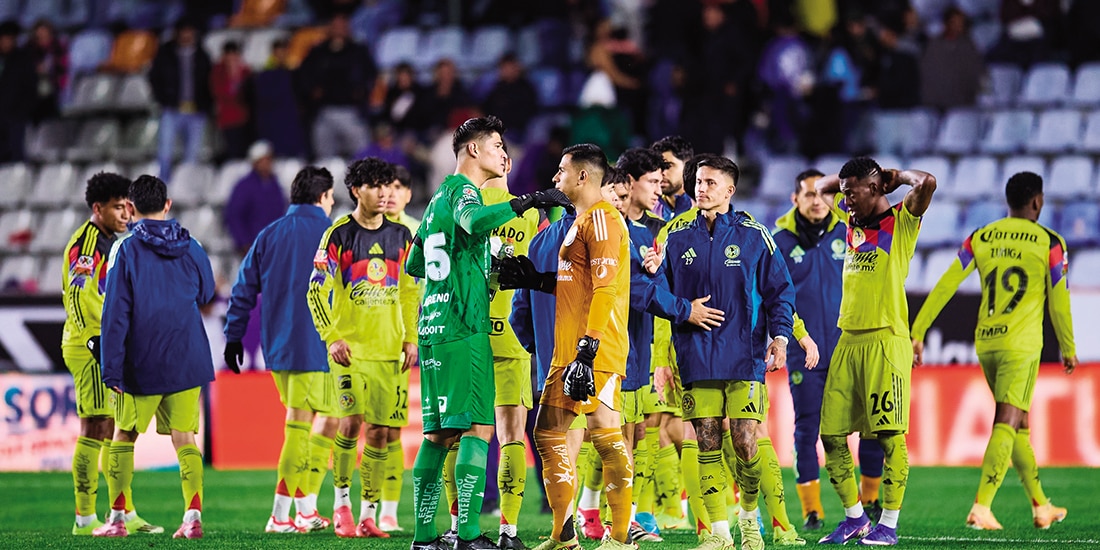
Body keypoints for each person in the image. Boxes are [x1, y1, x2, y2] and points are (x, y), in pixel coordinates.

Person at [404, 116, 573, 550]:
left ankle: (425, 536)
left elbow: (415, 265)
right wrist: (527, 202)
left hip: (433, 324)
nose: (503, 152)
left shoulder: (436, 197)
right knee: (480, 430)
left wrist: (484, 269)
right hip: (465, 325)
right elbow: (475, 222)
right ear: (474, 150)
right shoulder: (464, 191)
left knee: (439, 434)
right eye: (497, 144)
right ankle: (468, 535)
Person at [911, 171, 1075, 531]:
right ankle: (982, 507)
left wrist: (919, 330)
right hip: (1022, 345)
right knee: (1007, 421)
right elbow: (1059, 302)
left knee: (1019, 427)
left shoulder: (981, 236)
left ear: (1009, 201)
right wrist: (1068, 346)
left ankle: (1041, 506)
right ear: (1038, 202)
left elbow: (946, 283)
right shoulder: (1050, 241)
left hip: (985, 341)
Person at [498, 143, 635, 550]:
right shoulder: (578, 223)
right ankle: (564, 536)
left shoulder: (604, 221)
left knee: (606, 435)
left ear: (582, 176)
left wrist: (589, 351)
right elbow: (578, 285)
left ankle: (621, 538)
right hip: (568, 351)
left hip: (596, 351)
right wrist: (535, 280)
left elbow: (607, 291)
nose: (555, 178)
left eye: (561, 170)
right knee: (547, 434)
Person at [658, 154, 796, 550]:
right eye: (698, 182)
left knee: (744, 441)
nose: (701, 189)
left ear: (730, 190)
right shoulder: (677, 238)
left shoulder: (755, 235)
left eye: (710, 183)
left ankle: (749, 517)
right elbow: (657, 295)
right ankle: (719, 532)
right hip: (695, 354)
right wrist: (680, 306)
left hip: (745, 354)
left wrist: (781, 337)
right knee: (704, 439)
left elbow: (779, 292)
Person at [813, 157, 936, 546]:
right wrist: (851, 183)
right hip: (848, 338)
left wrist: (897, 177)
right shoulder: (852, 221)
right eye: (845, 192)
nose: (845, 199)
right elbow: (821, 187)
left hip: (887, 338)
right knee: (830, 435)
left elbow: (928, 183)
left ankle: (889, 523)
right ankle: (854, 518)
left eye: (853, 192)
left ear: (877, 187)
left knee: (888, 435)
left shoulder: (900, 222)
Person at [94, 175, 217, 539]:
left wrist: (110, 366)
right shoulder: (192, 244)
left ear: (130, 209)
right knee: (185, 438)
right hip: (186, 354)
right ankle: (192, 516)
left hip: (140, 359)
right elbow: (207, 292)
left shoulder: (125, 248)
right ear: (168, 205)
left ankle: (118, 518)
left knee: (124, 436)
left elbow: (115, 312)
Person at [224, 166, 340, 534]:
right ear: (323, 197)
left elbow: (243, 288)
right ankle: (279, 514)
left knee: (316, 422)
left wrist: (233, 337)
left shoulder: (268, 234)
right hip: (315, 345)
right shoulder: (331, 235)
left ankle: (304, 509)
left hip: (280, 348)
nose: (333, 202)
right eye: (332, 196)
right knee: (302, 427)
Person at [306, 158, 418, 538]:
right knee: (351, 423)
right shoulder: (338, 234)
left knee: (380, 432)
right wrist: (332, 336)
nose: (384, 193)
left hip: (389, 351)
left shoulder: (402, 237)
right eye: (375, 186)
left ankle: (369, 513)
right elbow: (315, 289)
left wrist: (411, 338)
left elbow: (407, 291)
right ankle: (341, 506)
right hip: (350, 350)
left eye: (388, 185)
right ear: (356, 191)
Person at [771, 169, 885, 531]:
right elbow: (776, 298)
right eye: (809, 194)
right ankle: (812, 510)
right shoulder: (780, 243)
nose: (817, 201)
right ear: (795, 200)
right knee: (808, 428)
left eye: (823, 194)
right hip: (805, 352)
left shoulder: (850, 233)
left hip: (851, 348)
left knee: (869, 425)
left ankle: (871, 501)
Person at [63, 172, 160, 536]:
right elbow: (79, 296)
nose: (125, 214)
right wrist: (94, 342)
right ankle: (85, 519)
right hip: (90, 346)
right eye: (118, 207)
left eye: (128, 207)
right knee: (97, 425)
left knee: (116, 428)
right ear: (97, 208)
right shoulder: (87, 245)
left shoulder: (113, 242)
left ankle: (123, 512)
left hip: (109, 346)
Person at [376, 163, 419, 532]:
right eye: (382, 187)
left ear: (407, 193)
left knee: (391, 428)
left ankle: (387, 510)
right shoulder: (357, 230)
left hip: (403, 341)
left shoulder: (417, 232)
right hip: (365, 343)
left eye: (395, 188)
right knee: (358, 426)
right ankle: (357, 507)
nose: (387, 194)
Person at [297, 14, 377, 159]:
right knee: (324, 158)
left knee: (362, 154)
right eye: (336, 26)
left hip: (351, 111)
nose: (339, 30)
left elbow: (371, 74)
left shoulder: (358, 51)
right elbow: (304, 76)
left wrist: (361, 91)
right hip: (324, 111)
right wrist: (312, 92)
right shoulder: (318, 52)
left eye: (342, 26)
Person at [148, 19, 212, 181]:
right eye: (184, 31)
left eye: (190, 31)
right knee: (165, 151)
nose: (187, 35)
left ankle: (186, 185)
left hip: (196, 111)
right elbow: (155, 78)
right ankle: (163, 185)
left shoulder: (202, 55)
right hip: (172, 109)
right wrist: (163, 99)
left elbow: (208, 82)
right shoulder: (165, 53)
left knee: (192, 153)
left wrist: (206, 104)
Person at [225, 141, 288, 256]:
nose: (267, 164)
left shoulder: (275, 184)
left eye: (269, 160)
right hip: (253, 245)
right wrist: (244, 243)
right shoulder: (244, 186)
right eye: (263, 160)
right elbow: (234, 216)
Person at [210, 41, 252, 161]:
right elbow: (219, 93)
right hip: (227, 119)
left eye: (235, 54)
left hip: (245, 118)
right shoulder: (218, 71)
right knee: (233, 153)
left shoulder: (245, 71)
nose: (232, 58)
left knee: (245, 154)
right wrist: (233, 77)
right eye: (229, 55)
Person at [0, 20, 35, 163]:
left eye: (10, 39)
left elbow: (30, 88)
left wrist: (22, 111)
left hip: (16, 117)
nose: (6, 42)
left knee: (16, 155)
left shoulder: (23, 59)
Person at [651, 136, 694, 222]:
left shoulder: (703, 209)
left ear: (687, 168)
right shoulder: (649, 208)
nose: (662, 173)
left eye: (668, 166)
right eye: (658, 167)